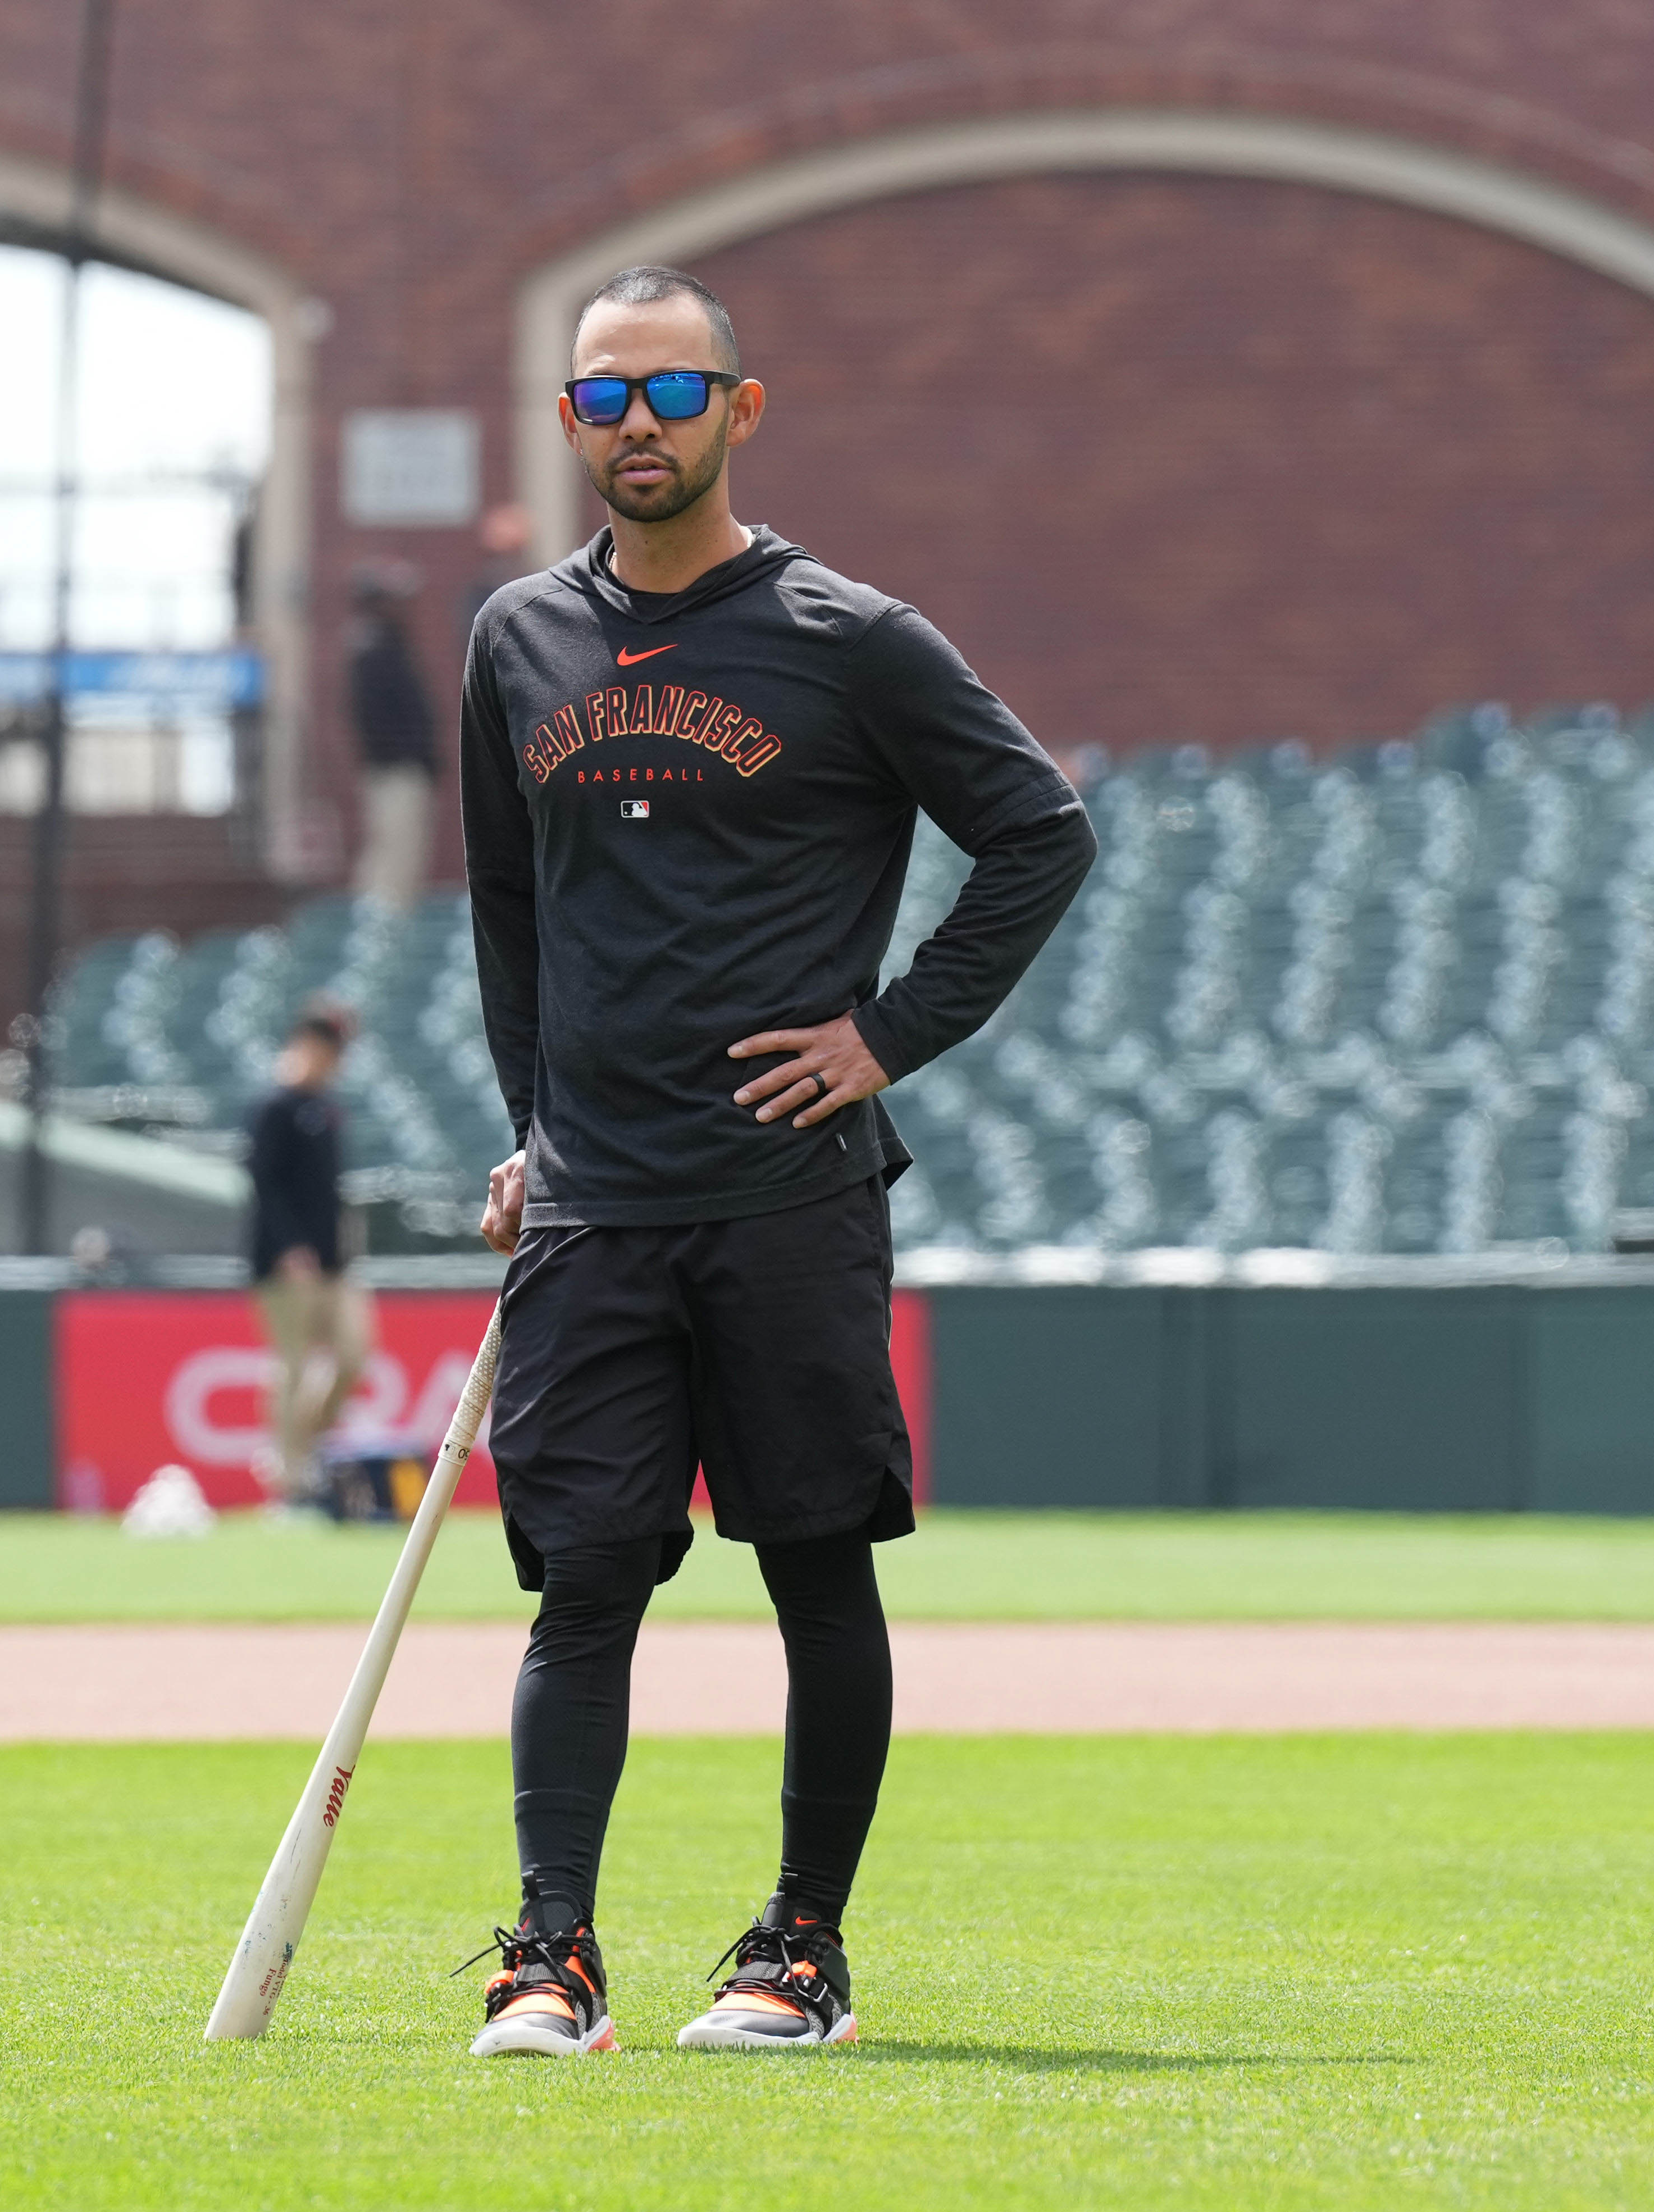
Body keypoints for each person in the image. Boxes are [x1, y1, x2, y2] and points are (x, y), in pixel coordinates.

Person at [456, 265, 1092, 2058]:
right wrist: (529, 1125)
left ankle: (799, 1952)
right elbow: (511, 909)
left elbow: (1039, 834)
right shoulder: (516, 638)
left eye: (670, 393)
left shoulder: (847, 634)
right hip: (593, 1197)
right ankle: (550, 1951)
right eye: (602, 400)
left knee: (815, 1565)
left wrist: (884, 1037)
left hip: (784, 1197)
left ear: (743, 407)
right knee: (584, 1579)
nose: (635, 426)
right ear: (569, 423)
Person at [244, 1005, 375, 1510]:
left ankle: (303, 1450)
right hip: (286, 1264)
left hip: (333, 1262)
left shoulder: (325, 1106)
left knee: (353, 1356)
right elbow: (263, 1183)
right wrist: (286, 1246)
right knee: (292, 1364)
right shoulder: (273, 1105)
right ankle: (289, 1482)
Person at [348, 574, 441, 911]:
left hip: (398, 768)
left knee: (398, 855)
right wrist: (411, 755)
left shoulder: (384, 646)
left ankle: (380, 933)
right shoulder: (374, 650)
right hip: (395, 770)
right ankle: (379, 940)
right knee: (395, 859)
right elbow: (379, 719)